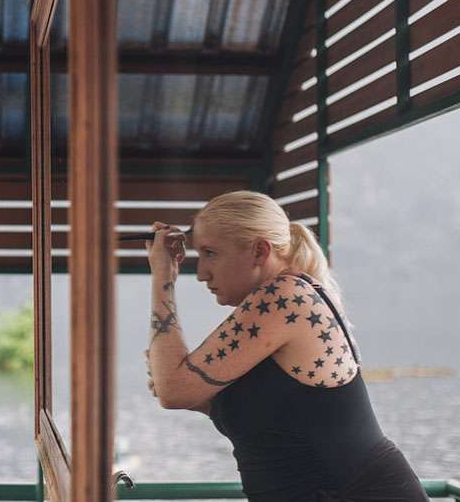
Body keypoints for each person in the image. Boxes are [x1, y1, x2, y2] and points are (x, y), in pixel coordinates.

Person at [144, 190, 427, 501]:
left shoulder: (287, 296)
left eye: (211, 253)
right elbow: (266, 424)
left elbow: (174, 390)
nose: (201, 273)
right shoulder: (285, 301)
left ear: (260, 251)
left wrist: (163, 277)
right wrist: (197, 395)